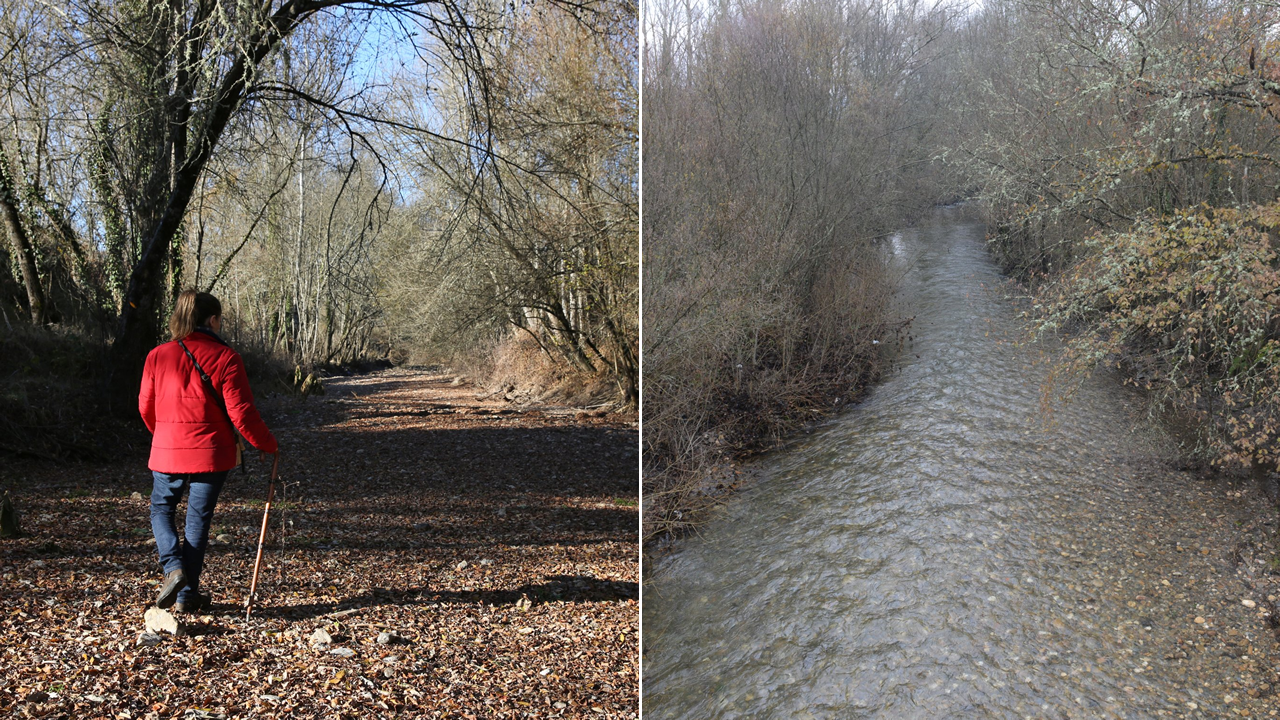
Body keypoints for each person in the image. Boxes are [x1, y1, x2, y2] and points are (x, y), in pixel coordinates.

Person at [138, 289, 278, 613]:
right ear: (212, 320)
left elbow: (146, 408)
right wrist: (267, 444)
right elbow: (241, 414)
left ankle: (173, 568)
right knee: (197, 522)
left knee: (161, 510)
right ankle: (187, 596)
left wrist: (165, 436)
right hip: (212, 453)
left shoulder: (157, 356)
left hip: (167, 451)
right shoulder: (227, 358)